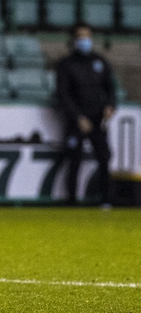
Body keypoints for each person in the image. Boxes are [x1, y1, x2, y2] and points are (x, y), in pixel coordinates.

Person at [55, 22, 116, 207]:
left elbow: (110, 89)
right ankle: (72, 200)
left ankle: (106, 200)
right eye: (80, 37)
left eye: (87, 37)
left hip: (98, 119)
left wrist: (110, 106)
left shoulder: (100, 62)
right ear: (74, 40)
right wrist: (78, 118)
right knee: (74, 159)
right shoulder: (67, 64)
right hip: (77, 120)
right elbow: (63, 94)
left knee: (104, 158)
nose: (84, 41)